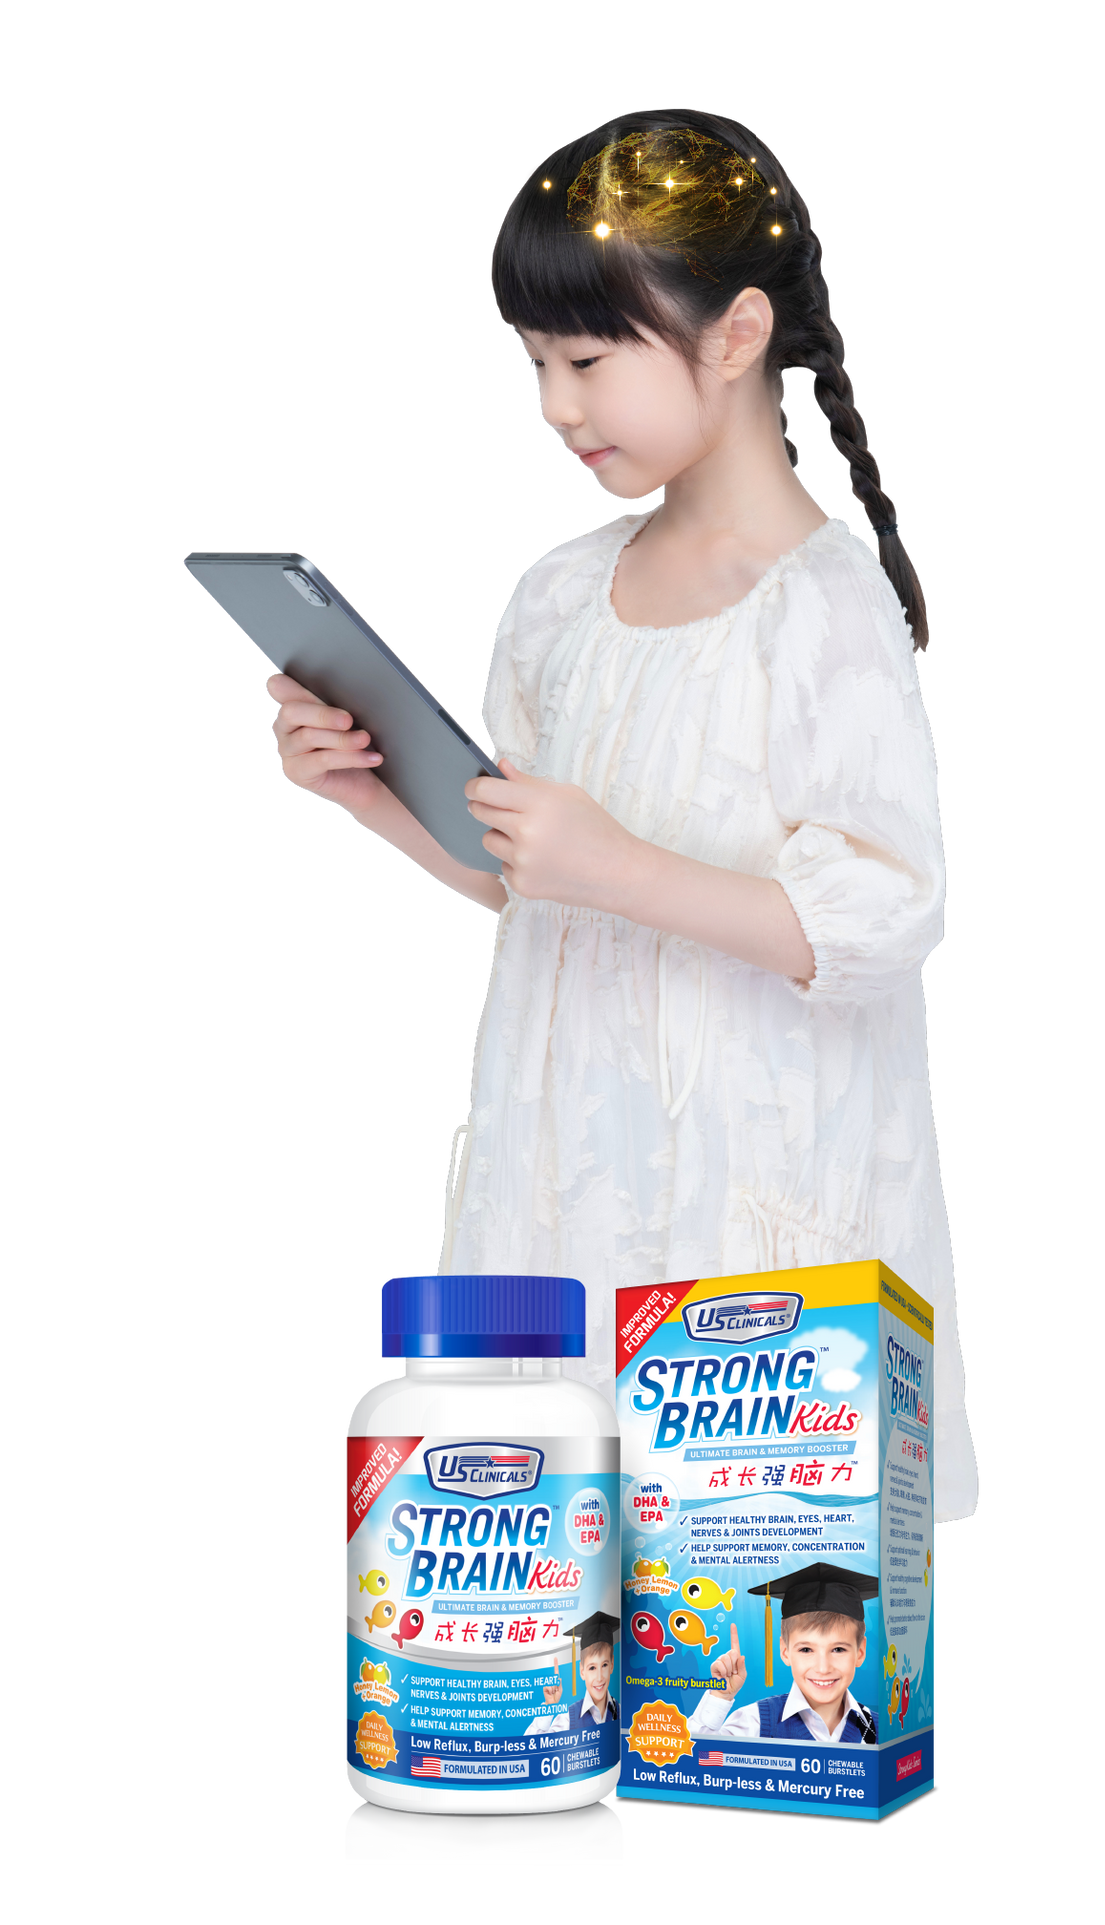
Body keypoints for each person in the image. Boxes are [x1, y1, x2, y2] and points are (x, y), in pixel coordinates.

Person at [265, 105, 977, 1524]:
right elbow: (531, 882)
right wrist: (376, 797)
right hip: (570, 1172)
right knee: (557, 1566)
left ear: (735, 333)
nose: (557, 405)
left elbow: (882, 916)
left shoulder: (823, 606)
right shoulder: (556, 600)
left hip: (751, 1198)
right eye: (535, 363)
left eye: (588, 360)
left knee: (751, 1587)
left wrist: (619, 863)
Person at [688, 1563, 878, 1745]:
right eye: (806, 1649)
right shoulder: (756, 1723)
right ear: (785, 1651)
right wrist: (720, 1696)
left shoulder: (878, 1730)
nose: (823, 1668)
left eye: (838, 1649)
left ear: (860, 1652)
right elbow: (696, 1758)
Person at [524, 1613, 620, 1735]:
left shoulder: (622, 1711)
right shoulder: (568, 1719)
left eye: (604, 1665)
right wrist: (549, 1706)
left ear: (612, 1665)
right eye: (592, 1668)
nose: (599, 1677)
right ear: (582, 1671)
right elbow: (531, 1743)